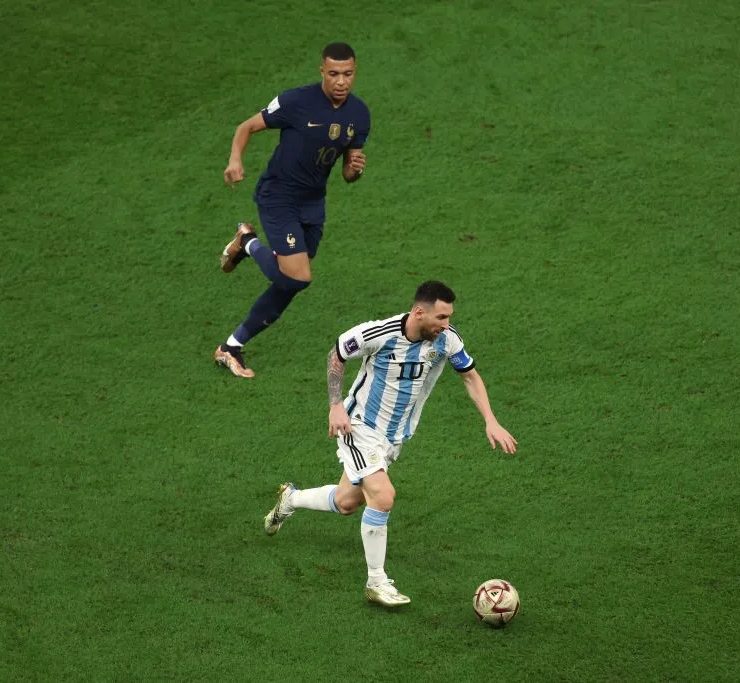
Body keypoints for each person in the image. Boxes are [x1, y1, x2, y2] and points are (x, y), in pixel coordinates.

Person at [262, 281, 518, 607]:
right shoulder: (379, 334)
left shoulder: (446, 341)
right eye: (441, 317)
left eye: (449, 317)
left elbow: (470, 375)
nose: (446, 324)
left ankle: (291, 499)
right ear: (419, 312)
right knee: (383, 497)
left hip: (394, 439)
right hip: (359, 427)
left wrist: (490, 420)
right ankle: (376, 582)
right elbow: (337, 354)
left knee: (346, 502)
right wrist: (335, 405)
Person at [214, 42, 371, 378]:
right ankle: (248, 243)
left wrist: (355, 169)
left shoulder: (359, 115)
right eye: (333, 74)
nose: (341, 81)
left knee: (291, 284)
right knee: (297, 275)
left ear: (354, 73)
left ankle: (231, 347)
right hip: (278, 195)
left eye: (347, 74)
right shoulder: (296, 101)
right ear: (321, 72)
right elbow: (247, 127)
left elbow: (347, 173)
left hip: (313, 203)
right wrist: (235, 159)